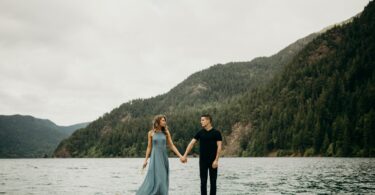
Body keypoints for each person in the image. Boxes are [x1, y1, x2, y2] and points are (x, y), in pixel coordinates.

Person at [136, 114, 186, 195]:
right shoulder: (151, 133)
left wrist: (181, 156)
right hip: (155, 159)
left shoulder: (166, 133)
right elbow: (149, 147)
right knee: (153, 178)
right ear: (158, 121)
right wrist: (145, 161)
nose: (165, 122)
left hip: (163, 158)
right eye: (163, 120)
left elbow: (171, 145)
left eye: (165, 120)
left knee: (162, 178)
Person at [182, 114, 222, 195]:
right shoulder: (200, 133)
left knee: (213, 183)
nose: (201, 122)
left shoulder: (216, 133)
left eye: (203, 120)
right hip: (203, 161)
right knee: (203, 182)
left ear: (208, 120)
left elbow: (219, 147)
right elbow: (191, 143)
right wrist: (185, 155)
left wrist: (216, 160)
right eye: (201, 120)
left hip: (213, 161)